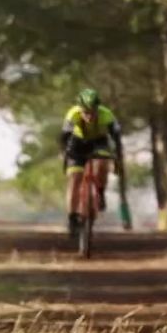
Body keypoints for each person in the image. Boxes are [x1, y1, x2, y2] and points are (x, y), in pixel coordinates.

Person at [60, 88, 124, 239]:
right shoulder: (72, 115)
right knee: (75, 178)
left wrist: (117, 158)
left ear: (97, 109)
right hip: (77, 142)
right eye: (85, 112)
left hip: (99, 142)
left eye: (92, 111)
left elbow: (116, 139)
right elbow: (64, 139)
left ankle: (100, 192)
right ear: (80, 109)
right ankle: (72, 218)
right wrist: (65, 154)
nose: (89, 115)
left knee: (102, 163)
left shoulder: (107, 115)